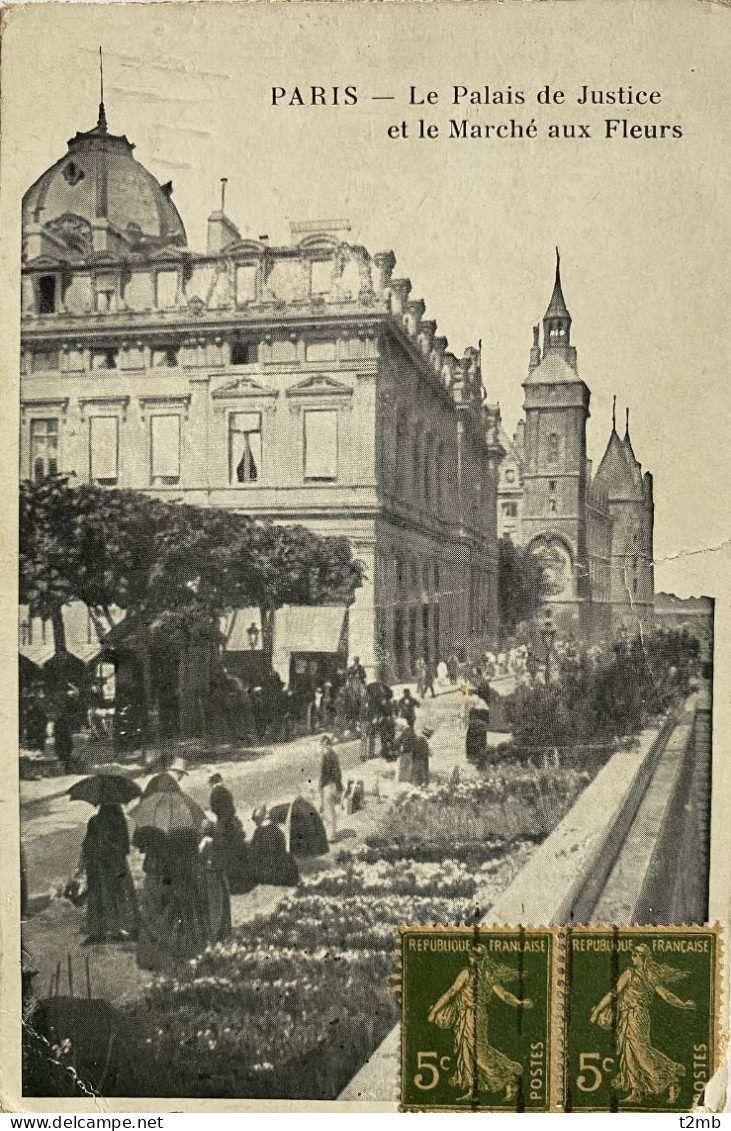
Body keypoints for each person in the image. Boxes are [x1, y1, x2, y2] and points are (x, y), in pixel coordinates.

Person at [590, 944, 695, 1105]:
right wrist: (683, 1004)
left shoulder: (631, 973)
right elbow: (665, 995)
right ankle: (637, 1091)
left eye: (635, 954)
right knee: (629, 1052)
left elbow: (615, 993)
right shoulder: (643, 974)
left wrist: (597, 1010)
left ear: (643, 957)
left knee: (639, 1051)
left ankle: (670, 1078)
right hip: (630, 1016)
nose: (632, 956)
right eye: (632, 953)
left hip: (636, 1016)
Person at [428, 945, 533, 1102]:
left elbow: (503, 994)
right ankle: (473, 1090)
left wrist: (519, 1003)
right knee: (466, 1050)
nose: (473, 960)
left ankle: (509, 1072)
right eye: (472, 957)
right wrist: (435, 1010)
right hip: (464, 1014)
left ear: (483, 959)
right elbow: (452, 992)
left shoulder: (487, 975)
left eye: (477, 958)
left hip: (476, 1015)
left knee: (478, 1051)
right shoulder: (467, 973)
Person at [136, 828, 210, 971]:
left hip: (160, 893)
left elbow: (162, 877)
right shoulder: (183, 860)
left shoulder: (163, 857)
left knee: (158, 920)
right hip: (162, 893)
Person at [81, 803, 138, 945]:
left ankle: (97, 930)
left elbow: (86, 846)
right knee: (118, 895)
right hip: (116, 866)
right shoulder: (119, 822)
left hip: (97, 866)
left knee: (98, 896)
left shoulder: (94, 821)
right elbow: (125, 848)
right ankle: (120, 928)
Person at [203, 786, 256, 896]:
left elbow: (220, 855)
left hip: (231, 882)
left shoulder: (221, 827)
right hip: (243, 877)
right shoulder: (233, 822)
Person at [250, 805, 299, 886]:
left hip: (267, 863)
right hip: (278, 860)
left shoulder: (259, 831)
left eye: (256, 819)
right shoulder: (275, 829)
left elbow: (254, 849)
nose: (255, 822)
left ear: (260, 819)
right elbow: (282, 844)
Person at [318, 733, 343, 841]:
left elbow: (323, 773)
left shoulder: (325, 755)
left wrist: (320, 785)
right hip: (334, 784)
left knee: (328, 810)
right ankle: (333, 833)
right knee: (331, 810)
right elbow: (338, 771)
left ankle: (331, 836)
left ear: (324, 743)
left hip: (327, 784)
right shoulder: (334, 753)